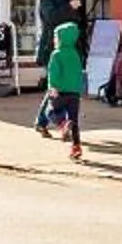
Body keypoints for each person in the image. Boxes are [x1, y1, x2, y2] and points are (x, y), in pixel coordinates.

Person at [33, 0, 85, 137]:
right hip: (53, 46)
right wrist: (70, 8)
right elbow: (52, 18)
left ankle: (42, 122)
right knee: (55, 85)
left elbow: (75, 20)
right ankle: (60, 122)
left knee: (62, 86)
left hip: (70, 47)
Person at [44, 18, 87, 161]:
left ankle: (62, 123)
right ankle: (76, 147)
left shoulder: (56, 54)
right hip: (74, 92)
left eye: (56, 37)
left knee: (50, 111)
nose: (55, 39)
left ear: (60, 38)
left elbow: (53, 72)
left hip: (60, 90)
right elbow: (78, 72)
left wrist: (52, 86)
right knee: (74, 121)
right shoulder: (75, 54)